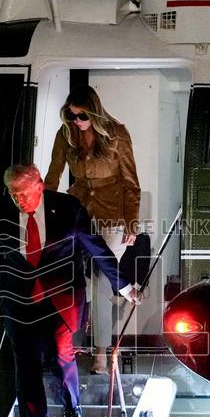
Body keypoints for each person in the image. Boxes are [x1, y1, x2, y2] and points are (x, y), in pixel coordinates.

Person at [0, 164, 141, 417]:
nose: (18, 200)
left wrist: (125, 286)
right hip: (19, 302)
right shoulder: (0, 212)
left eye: (23, 193)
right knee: (26, 373)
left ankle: (72, 406)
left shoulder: (67, 209)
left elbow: (98, 250)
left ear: (39, 186)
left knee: (59, 354)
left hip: (61, 299)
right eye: (13, 194)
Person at [44, 85, 141, 374]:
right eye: (71, 116)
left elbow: (130, 182)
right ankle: (68, 345)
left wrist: (132, 221)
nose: (77, 122)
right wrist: (43, 213)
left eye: (81, 116)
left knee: (101, 280)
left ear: (94, 112)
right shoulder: (66, 134)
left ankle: (101, 351)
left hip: (113, 214)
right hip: (79, 211)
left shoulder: (117, 134)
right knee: (71, 278)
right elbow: (53, 175)